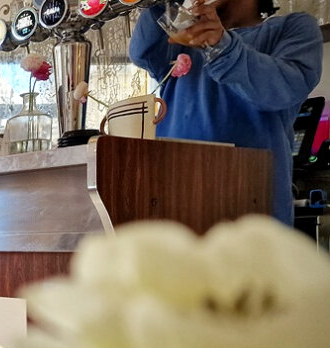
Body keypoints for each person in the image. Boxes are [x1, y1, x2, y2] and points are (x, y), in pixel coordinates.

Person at [129, 0, 322, 225]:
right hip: (174, 203)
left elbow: (281, 90)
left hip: (252, 214)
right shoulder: (183, 37)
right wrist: (160, 5)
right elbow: (142, 53)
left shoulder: (294, 27)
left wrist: (221, 46)